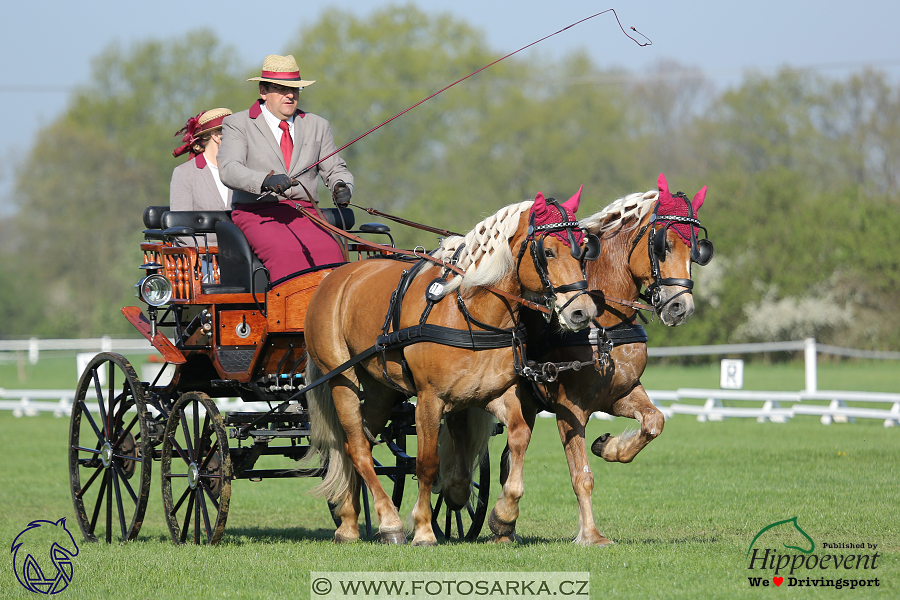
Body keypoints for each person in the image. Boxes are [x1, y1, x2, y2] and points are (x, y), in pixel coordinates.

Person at [219, 54, 353, 282]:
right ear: (263, 91)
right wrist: (264, 181)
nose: (290, 95)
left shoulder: (317, 125)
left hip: (305, 212)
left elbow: (335, 169)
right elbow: (229, 169)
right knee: (286, 254)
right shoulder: (238, 124)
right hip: (258, 213)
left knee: (332, 253)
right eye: (281, 89)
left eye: (295, 89)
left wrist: (342, 185)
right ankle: (289, 316)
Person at [170, 107, 234, 246]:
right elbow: (181, 228)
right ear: (216, 136)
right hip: (202, 259)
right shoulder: (184, 174)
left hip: (242, 255)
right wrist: (213, 252)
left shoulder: (240, 170)